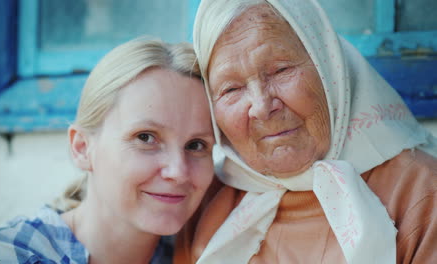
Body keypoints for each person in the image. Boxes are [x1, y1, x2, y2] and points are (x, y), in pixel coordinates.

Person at [174, 0, 437, 263]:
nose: (262, 107)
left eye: (281, 70)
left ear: (328, 66)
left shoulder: (421, 194)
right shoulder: (205, 200)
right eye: (231, 89)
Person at [0, 38, 216, 264]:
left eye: (196, 145)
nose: (178, 171)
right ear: (82, 148)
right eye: (145, 137)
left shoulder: (210, 252)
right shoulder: (11, 255)